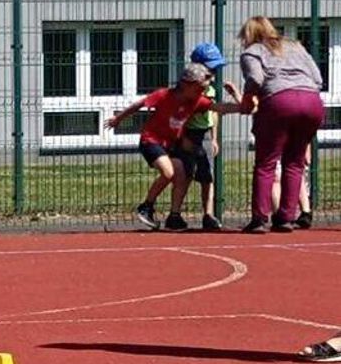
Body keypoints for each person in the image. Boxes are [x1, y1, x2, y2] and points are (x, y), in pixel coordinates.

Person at [105, 63, 246, 231]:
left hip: (169, 144)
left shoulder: (197, 101)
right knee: (168, 172)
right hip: (151, 140)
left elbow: (223, 108)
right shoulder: (163, 95)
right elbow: (138, 105)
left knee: (180, 174)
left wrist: (237, 96)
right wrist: (118, 119)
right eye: (200, 88)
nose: (202, 92)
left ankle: (174, 216)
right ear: (187, 84)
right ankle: (146, 206)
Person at [235, 16, 325, 233]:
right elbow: (318, 78)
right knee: (295, 162)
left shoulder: (252, 52)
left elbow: (255, 78)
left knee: (266, 163)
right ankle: (286, 217)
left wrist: (247, 99)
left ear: (248, 35)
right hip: (312, 102)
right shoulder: (296, 47)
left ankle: (259, 218)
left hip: (279, 102)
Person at [177, 43, 229, 231]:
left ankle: (208, 214)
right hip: (189, 132)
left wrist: (214, 138)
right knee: (185, 174)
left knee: (207, 176)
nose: (213, 72)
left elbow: (214, 114)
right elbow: (179, 114)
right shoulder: (185, 89)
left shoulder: (211, 89)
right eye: (210, 68)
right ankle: (175, 213)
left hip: (204, 133)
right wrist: (182, 136)